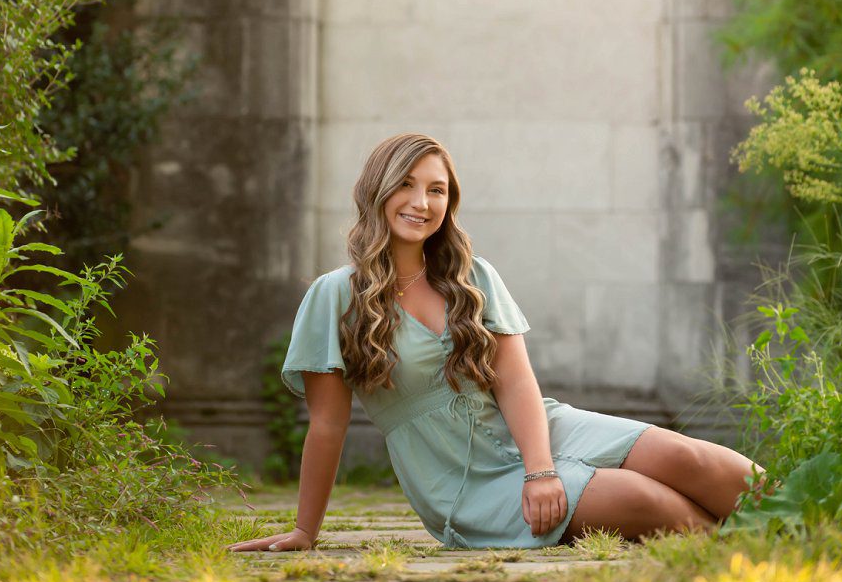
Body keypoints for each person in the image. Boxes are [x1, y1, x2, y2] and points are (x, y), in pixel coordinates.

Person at [234, 132, 763, 554]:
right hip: (461, 479)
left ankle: (810, 525)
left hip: (535, 432)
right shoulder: (334, 296)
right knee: (643, 499)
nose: (422, 202)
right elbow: (328, 424)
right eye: (407, 186)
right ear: (377, 191)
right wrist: (305, 530)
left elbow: (515, 380)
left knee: (690, 457)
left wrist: (541, 470)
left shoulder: (472, 277)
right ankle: (747, 556)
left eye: (436, 190)